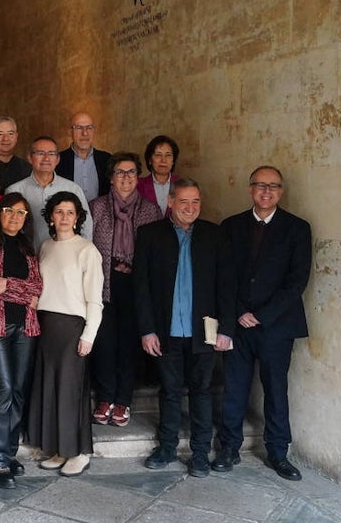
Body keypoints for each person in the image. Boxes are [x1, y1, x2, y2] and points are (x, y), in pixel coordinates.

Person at [214, 166, 312, 481]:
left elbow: (297, 281)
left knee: (276, 388)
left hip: (277, 326)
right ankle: (229, 447)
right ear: (250, 189)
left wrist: (263, 315)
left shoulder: (297, 228)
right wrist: (239, 312)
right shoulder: (230, 226)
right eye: (259, 185)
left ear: (281, 191)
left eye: (272, 186)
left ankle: (278, 452)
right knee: (234, 388)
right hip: (238, 326)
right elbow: (224, 276)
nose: (266, 191)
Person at [134, 178, 234, 477]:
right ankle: (166, 448)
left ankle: (201, 453)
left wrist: (227, 330)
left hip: (204, 331)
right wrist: (147, 329)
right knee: (170, 391)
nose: (190, 208)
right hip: (165, 331)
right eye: (184, 202)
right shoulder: (150, 234)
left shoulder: (215, 235)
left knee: (202, 391)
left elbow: (227, 288)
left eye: (196, 202)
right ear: (171, 203)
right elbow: (141, 287)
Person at [30, 192, 102, 477]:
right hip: (47, 325)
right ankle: (60, 449)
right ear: (50, 216)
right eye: (59, 212)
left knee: (72, 391)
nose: (64, 217)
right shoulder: (46, 247)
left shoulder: (87, 250)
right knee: (52, 388)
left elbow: (94, 298)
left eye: (70, 212)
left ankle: (79, 452)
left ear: (78, 217)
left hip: (73, 327)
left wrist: (89, 335)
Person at [88, 153, 161, 428]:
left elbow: (154, 253)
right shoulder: (95, 208)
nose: (126, 178)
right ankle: (105, 397)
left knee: (129, 345)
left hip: (136, 285)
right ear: (111, 177)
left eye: (132, 172)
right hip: (103, 283)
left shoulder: (150, 211)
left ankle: (123, 400)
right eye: (120, 172)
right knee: (105, 342)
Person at [0, 193, 43, 489]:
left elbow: (38, 286)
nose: (15, 217)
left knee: (17, 389)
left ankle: (10, 453)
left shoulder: (29, 248)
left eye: (21, 213)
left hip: (25, 327)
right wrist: (24, 291)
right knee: (3, 388)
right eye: (9, 210)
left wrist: (9, 284)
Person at [11, 137, 92, 247]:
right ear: (30, 158)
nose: (46, 158)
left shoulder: (72, 189)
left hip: (65, 256)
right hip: (26, 256)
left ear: (57, 159)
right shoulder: (14, 190)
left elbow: (86, 226)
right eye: (40, 153)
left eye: (51, 154)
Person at [55, 111, 111, 202]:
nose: (85, 133)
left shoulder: (107, 159)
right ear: (70, 132)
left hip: (99, 215)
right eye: (79, 128)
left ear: (94, 131)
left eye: (89, 128)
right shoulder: (58, 160)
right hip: (69, 215)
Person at [138, 135, 180, 217]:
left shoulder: (181, 185)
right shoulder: (138, 185)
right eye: (158, 155)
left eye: (168, 155)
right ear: (150, 160)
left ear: (173, 161)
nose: (163, 160)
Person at [0, 116, 32, 189]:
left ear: (16, 137)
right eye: (0, 134)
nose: (6, 139)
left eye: (10, 133)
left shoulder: (26, 168)